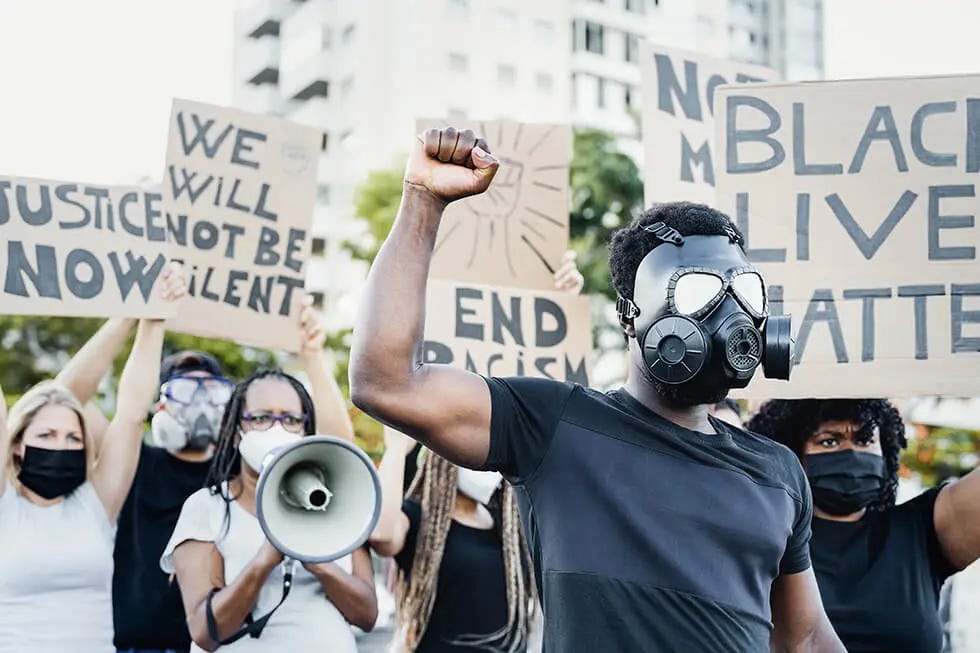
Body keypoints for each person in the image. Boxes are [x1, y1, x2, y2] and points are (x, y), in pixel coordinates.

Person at [348, 126, 844, 651]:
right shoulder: (554, 425)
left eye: (744, 291)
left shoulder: (779, 471)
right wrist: (423, 201)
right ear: (632, 317)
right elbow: (387, 382)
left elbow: (806, 637)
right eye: (697, 292)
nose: (732, 314)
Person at [54, 293, 354, 653]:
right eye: (184, 391)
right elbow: (64, 398)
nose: (200, 406)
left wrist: (313, 356)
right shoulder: (134, 463)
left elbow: (337, 448)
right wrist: (129, 318)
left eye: (212, 393)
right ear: (159, 404)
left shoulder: (247, 480)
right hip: (141, 646)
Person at [0, 266, 185, 653]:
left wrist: (153, 316)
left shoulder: (96, 503)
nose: (62, 445)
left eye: (72, 437)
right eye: (47, 436)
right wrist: (125, 318)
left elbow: (132, 413)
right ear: (17, 444)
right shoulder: (5, 507)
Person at [162, 369, 377, 652]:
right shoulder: (207, 508)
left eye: (290, 419)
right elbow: (204, 632)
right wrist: (264, 561)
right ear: (236, 432)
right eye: (261, 418)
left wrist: (319, 563)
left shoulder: (337, 502)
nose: (278, 429)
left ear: (305, 429)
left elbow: (367, 616)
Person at [748, 399, 980, 652]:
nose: (851, 453)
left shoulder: (923, 527)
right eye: (829, 441)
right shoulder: (767, 537)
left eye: (865, 440)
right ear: (790, 452)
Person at [372, 426, 536, 652]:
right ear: (441, 459)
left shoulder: (507, 529)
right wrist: (396, 448)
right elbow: (382, 534)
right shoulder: (418, 519)